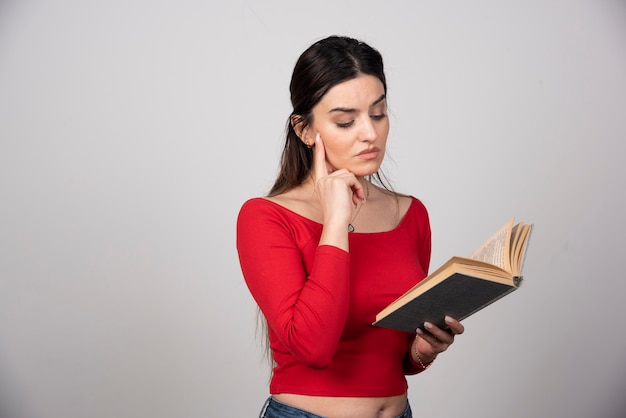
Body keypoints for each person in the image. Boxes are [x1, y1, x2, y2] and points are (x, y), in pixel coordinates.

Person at [236, 35, 465, 418]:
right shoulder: (266, 217)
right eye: (346, 121)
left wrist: (420, 352)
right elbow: (313, 348)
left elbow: (389, 355)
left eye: (378, 114)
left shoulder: (411, 215)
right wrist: (337, 220)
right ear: (305, 130)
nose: (370, 134)